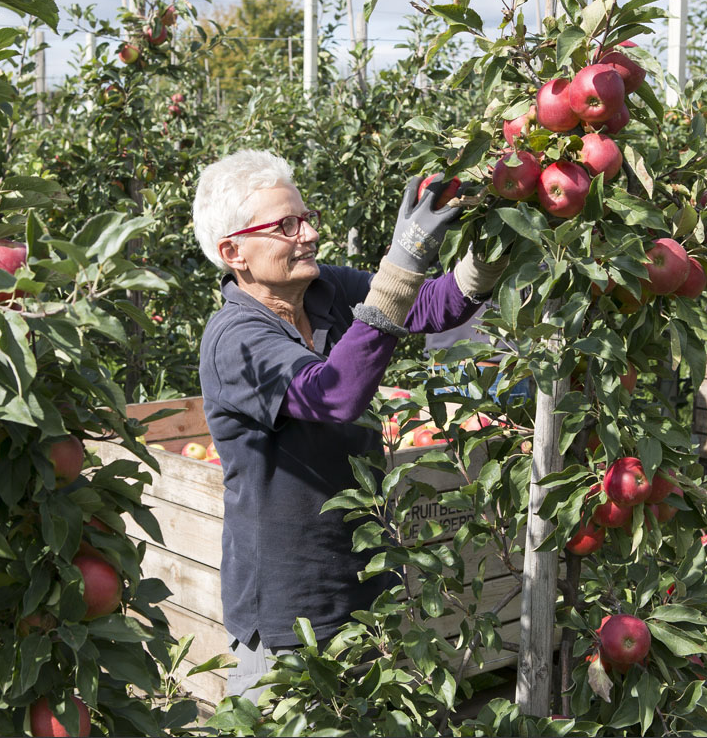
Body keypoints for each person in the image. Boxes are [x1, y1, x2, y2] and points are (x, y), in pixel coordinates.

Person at [192, 149, 507, 702]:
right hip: (291, 612)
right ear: (233, 251)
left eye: (307, 218)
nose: (309, 234)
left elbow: (430, 305)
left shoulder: (326, 290)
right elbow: (333, 394)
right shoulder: (235, 341)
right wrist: (400, 262)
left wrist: (493, 247)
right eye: (286, 225)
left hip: (369, 583)